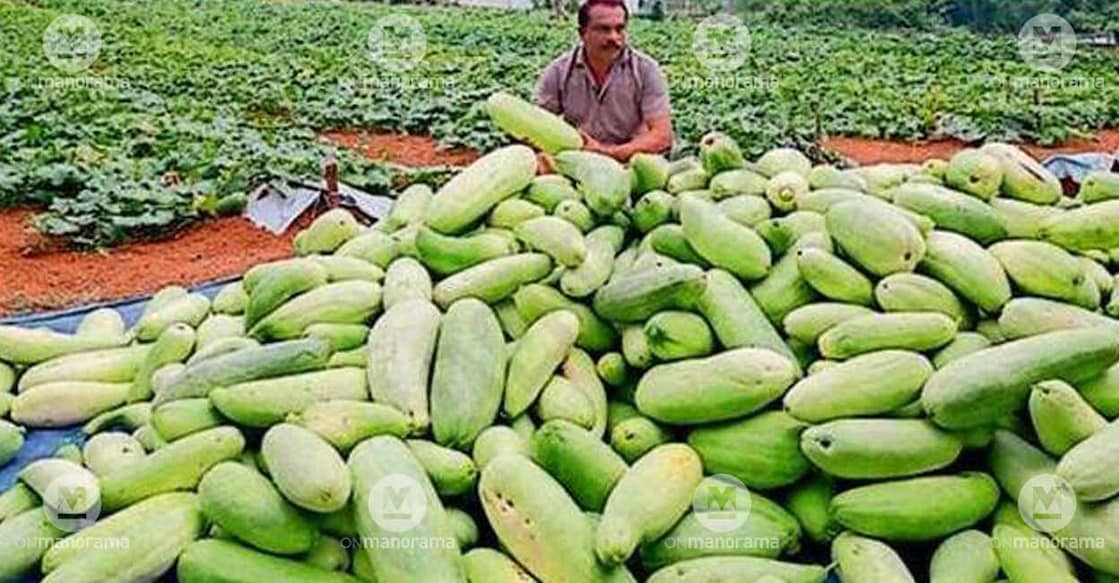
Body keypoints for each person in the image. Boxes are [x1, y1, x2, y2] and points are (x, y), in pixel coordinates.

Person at [535, 0, 673, 165]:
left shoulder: (645, 70)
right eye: (603, 29)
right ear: (582, 33)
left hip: (631, 163)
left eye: (620, 29)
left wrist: (607, 153)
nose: (614, 37)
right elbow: (537, 125)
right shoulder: (558, 72)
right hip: (578, 163)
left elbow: (662, 136)